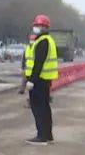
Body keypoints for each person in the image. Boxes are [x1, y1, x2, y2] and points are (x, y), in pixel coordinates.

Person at [19, 14, 59, 145]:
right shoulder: (46, 40)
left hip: (39, 81)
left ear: (44, 27)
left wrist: (31, 81)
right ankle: (48, 136)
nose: (35, 28)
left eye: (38, 25)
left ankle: (41, 136)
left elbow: (38, 63)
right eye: (35, 25)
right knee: (44, 108)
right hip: (43, 80)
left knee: (39, 109)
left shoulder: (43, 41)